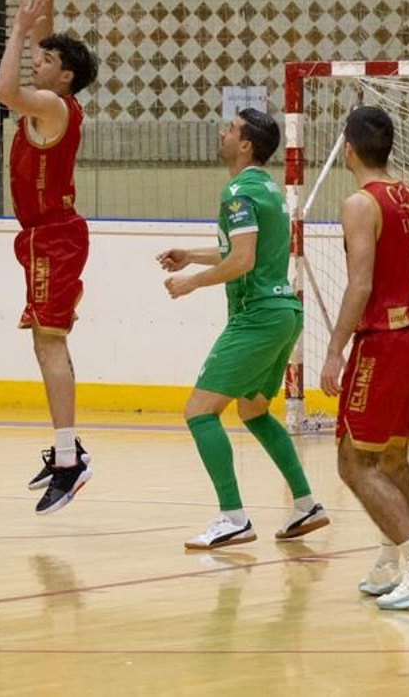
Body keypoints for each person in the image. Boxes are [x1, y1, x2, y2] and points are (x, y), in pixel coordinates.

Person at [159, 109, 329, 550]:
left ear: (246, 144)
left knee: (199, 411)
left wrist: (189, 283)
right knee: (253, 412)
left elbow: (242, 261)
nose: (222, 132)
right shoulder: (267, 190)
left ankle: (232, 516)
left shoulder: (237, 191)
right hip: (283, 313)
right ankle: (306, 505)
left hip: (257, 315)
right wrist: (192, 256)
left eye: (230, 129)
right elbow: (237, 250)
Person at [321, 106, 409, 609]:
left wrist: (335, 350)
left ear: (348, 148)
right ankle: (390, 558)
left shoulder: (360, 203)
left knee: (354, 463)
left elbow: (360, 285)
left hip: (383, 342)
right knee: (394, 456)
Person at [0, 0, 100, 515]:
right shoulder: (53, 100)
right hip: (43, 236)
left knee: (49, 342)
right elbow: (41, 46)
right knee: (46, 342)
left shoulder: (51, 107)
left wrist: (14, 31)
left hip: (54, 236)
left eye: (48, 58)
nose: (37, 59)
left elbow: (5, 90)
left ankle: (69, 459)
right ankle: (66, 448)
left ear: (66, 77)